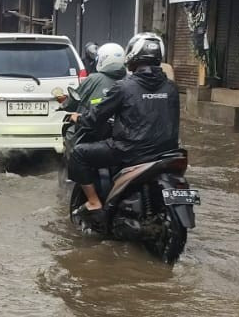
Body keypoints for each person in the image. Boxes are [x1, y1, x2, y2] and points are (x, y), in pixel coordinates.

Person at [68, 33, 180, 217]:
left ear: (132, 57)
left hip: (130, 150)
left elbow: (95, 117)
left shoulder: (124, 87)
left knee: (79, 154)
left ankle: (94, 202)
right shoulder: (172, 88)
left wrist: (78, 118)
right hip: (167, 152)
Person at [57, 41, 126, 129]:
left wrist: (65, 104)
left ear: (102, 59)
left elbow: (74, 102)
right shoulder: (131, 80)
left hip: (94, 131)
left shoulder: (93, 79)